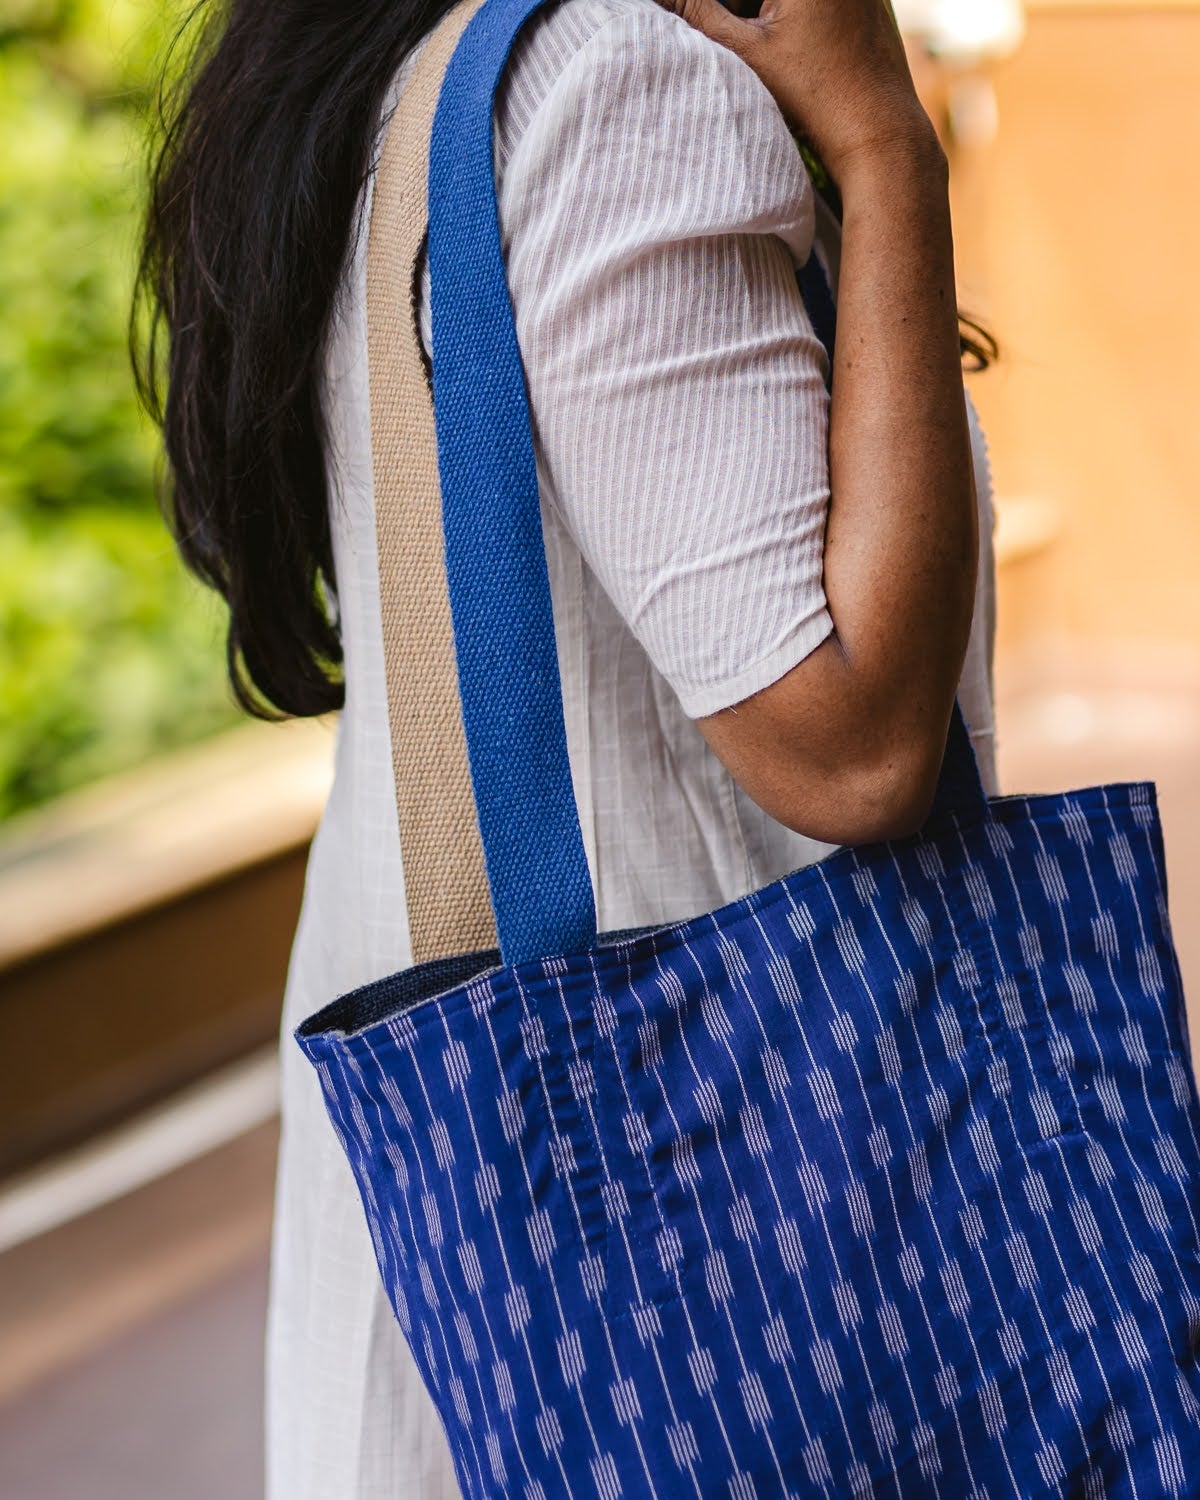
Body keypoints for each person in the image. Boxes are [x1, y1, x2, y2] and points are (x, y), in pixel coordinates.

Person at [137, 0, 999, 1492]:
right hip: (717, 1200)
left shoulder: (398, 75)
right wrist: (886, 148)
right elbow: (852, 751)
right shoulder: (614, 88)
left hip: (488, 1213)